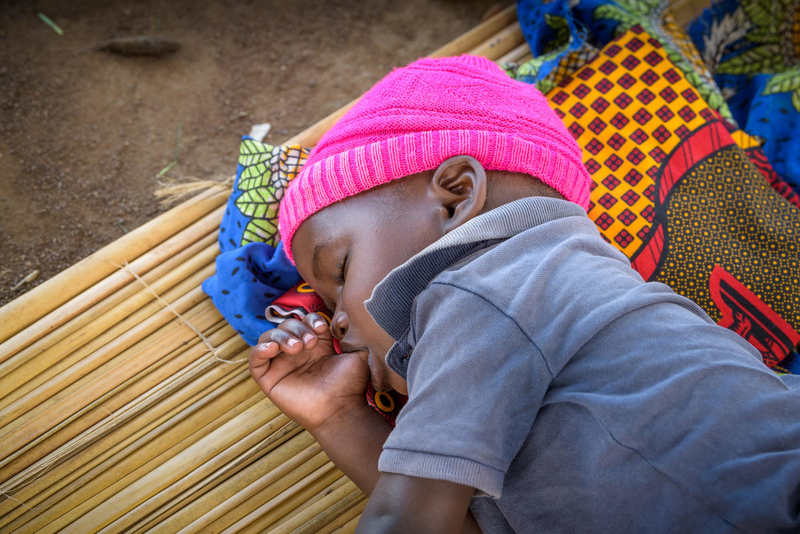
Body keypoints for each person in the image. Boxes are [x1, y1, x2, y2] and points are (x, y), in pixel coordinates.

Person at [248, 55, 800, 533]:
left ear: (457, 198)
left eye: (340, 270)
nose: (338, 319)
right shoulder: (494, 375)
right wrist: (338, 416)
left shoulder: (492, 284)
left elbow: (410, 519)